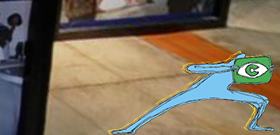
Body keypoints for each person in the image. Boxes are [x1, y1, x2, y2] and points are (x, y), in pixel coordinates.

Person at [111, 53, 271, 134]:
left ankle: (253, 124)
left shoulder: (235, 70)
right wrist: (225, 66)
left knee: (262, 100)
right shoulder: (223, 68)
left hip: (221, 91)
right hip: (200, 90)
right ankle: (131, 128)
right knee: (164, 105)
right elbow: (193, 68)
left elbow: (253, 73)